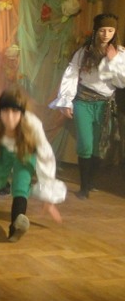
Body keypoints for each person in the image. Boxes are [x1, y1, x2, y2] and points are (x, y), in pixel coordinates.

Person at [0, 88, 65, 242]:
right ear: (0, 112)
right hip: (1, 152)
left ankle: (17, 225)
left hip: (24, 152)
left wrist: (49, 197)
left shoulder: (33, 125)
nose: (9, 117)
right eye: (5, 111)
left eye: (15, 112)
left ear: (22, 113)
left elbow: (46, 156)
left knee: (21, 184)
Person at [50, 13, 125, 199]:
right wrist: (66, 101)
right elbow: (71, 75)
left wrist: (113, 60)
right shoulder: (84, 52)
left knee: (99, 146)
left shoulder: (120, 54)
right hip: (83, 101)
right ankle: (83, 187)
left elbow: (121, 82)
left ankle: (91, 181)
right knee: (85, 143)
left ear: (115, 32)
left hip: (105, 105)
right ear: (96, 31)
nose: (106, 34)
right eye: (102, 30)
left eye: (110, 30)